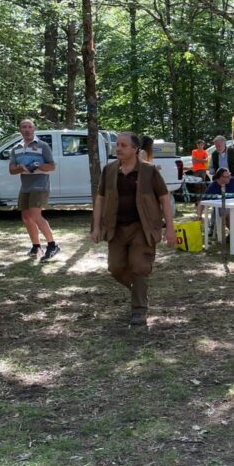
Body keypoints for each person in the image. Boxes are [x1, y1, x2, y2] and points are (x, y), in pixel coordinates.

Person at [90, 132, 177, 327]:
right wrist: (96, 227)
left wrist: (169, 228)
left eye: (123, 145)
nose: (118, 148)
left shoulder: (149, 171)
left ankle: (139, 311)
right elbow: (100, 199)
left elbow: (164, 198)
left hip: (142, 228)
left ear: (135, 149)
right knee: (115, 267)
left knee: (139, 266)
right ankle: (140, 292)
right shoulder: (109, 170)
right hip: (116, 228)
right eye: (117, 145)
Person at [8, 118, 60, 262]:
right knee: (26, 217)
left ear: (34, 129)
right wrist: (22, 168)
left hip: (40, 184)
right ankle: (36, 247)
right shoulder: (16, 148)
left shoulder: (42, 145)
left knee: (35, 215)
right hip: (25, 186)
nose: (27, 130)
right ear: (20, 130)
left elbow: (52, 166)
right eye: (24, 127)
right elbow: (11, 170)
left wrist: (37, 165)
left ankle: (52, 245)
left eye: (29, 127)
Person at [198, 168, 234, 236]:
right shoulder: (213, 186)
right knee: (228, 216)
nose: (229, 177)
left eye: (229, 175)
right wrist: (199, 215)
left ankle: (233, 235)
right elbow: (202, 202)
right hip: (222, 207)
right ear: (220, 177)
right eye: (227, 176)